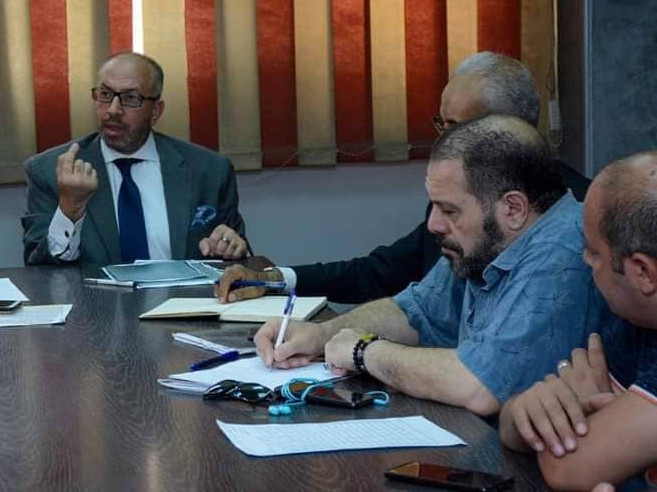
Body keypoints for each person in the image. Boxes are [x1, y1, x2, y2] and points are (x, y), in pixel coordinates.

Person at [253, 115, 604, 416]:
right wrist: (321, 335)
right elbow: (414, 312)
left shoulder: (564, 251)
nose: (434, 224)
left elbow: (478, 385)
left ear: (513, 209)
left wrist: (364, 351)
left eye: (449, 210)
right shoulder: (483, 242)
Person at [214, 51, 591, 304]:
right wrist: (276, 279)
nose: (442, 140)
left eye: (455, 127)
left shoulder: (574, 215)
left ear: (507, 130)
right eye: (441, 124)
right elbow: (383, 273)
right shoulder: (451, 199)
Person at [499, 152, 657, 491]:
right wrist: (525, 410)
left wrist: (576, 419)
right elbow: (516, 424)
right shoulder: (636, 319)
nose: (585, 260)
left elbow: (567, 465)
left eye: (594, 252)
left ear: (643, 272)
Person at [22, 52, 249, 265]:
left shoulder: (210, 171)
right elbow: (40, 268)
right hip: (92, 295)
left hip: (182, 294)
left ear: (155, 111)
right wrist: (69, 208)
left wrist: (231, 248)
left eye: (130, 98)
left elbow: (239, 259)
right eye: (105, 94)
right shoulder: (49, 171)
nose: (113, 110)